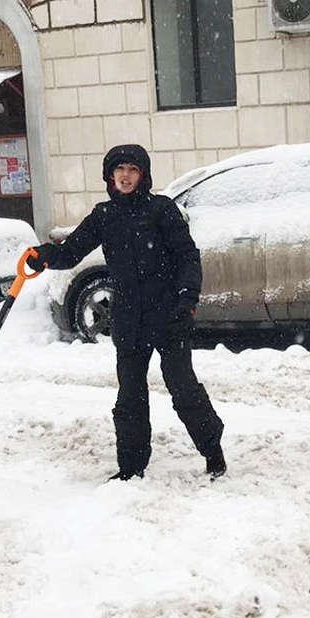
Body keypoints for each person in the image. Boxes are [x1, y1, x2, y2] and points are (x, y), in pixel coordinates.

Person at [26, 144, 226, 480]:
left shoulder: (162, 210)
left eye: (132, 169)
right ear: (109, 176)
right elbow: (73, 250)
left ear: (143, 175)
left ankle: (212, 450)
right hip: (129, 320)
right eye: (119, 170)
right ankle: (131, 468)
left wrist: (187, 297)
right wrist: (45, 255)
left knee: (183, 388)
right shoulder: (104, 216)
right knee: (130, 397)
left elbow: (187, 256)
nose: (125, 175)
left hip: (168, 315)